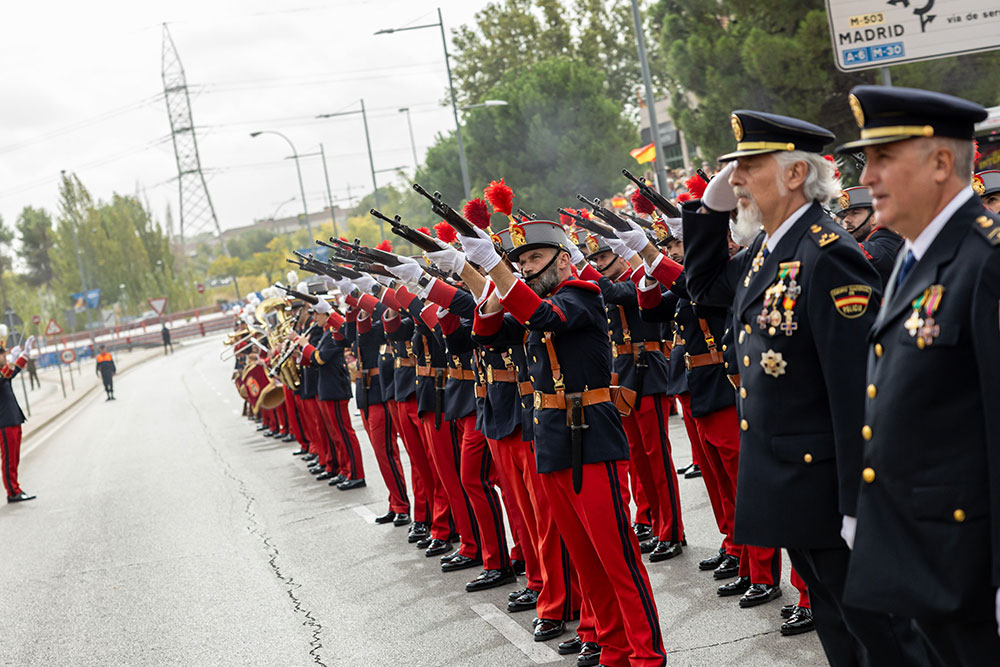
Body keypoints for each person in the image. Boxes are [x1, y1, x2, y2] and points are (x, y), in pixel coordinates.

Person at [680, 109, 926, 666]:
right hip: (791, 485)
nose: (737, 179)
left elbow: (857, 390)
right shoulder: (770, 249)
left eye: (747, 166)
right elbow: (704, 286)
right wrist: (712, 208)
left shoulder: (827, 253)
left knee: (880, 639)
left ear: (794, 175)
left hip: (828, 491)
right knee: (840, 631)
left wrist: (859, 505)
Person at [837, 85, 1000, 666]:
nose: (869, 175)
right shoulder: (915, 256)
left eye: (884, 157)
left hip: (970, 571)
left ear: (939, 162)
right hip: (921, 558)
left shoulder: (985, 260)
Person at [468, 219, 674, 667]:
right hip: (553, 436)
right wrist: (479, 275)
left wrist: (495, 268)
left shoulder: (581, 294)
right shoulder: (530, 300)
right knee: (584, 558)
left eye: (535, 259)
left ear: (563, 258)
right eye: (519, 262)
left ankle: (646, 654)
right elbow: (484, 335)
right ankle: (614, 648)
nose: (526, 269)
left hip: (591, 437)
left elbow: (543, 318)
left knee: (616, 558)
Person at [835, 185, 904, 289]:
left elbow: (863, 252)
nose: (846, 220)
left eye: (855, 213)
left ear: (875, 218)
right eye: (845, 214)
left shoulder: (887, 242)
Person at [2, 335, 37, 503]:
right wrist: (14, 358)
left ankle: (16, 487)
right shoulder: (2, 374)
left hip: (13, 419)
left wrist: (25, 354)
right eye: (2, 355)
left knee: (14, 458)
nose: (4, 356)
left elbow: (13, 371)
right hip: (4, 422)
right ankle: (12, 492)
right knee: (9, 459)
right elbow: (5, 375)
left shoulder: (4, 373)